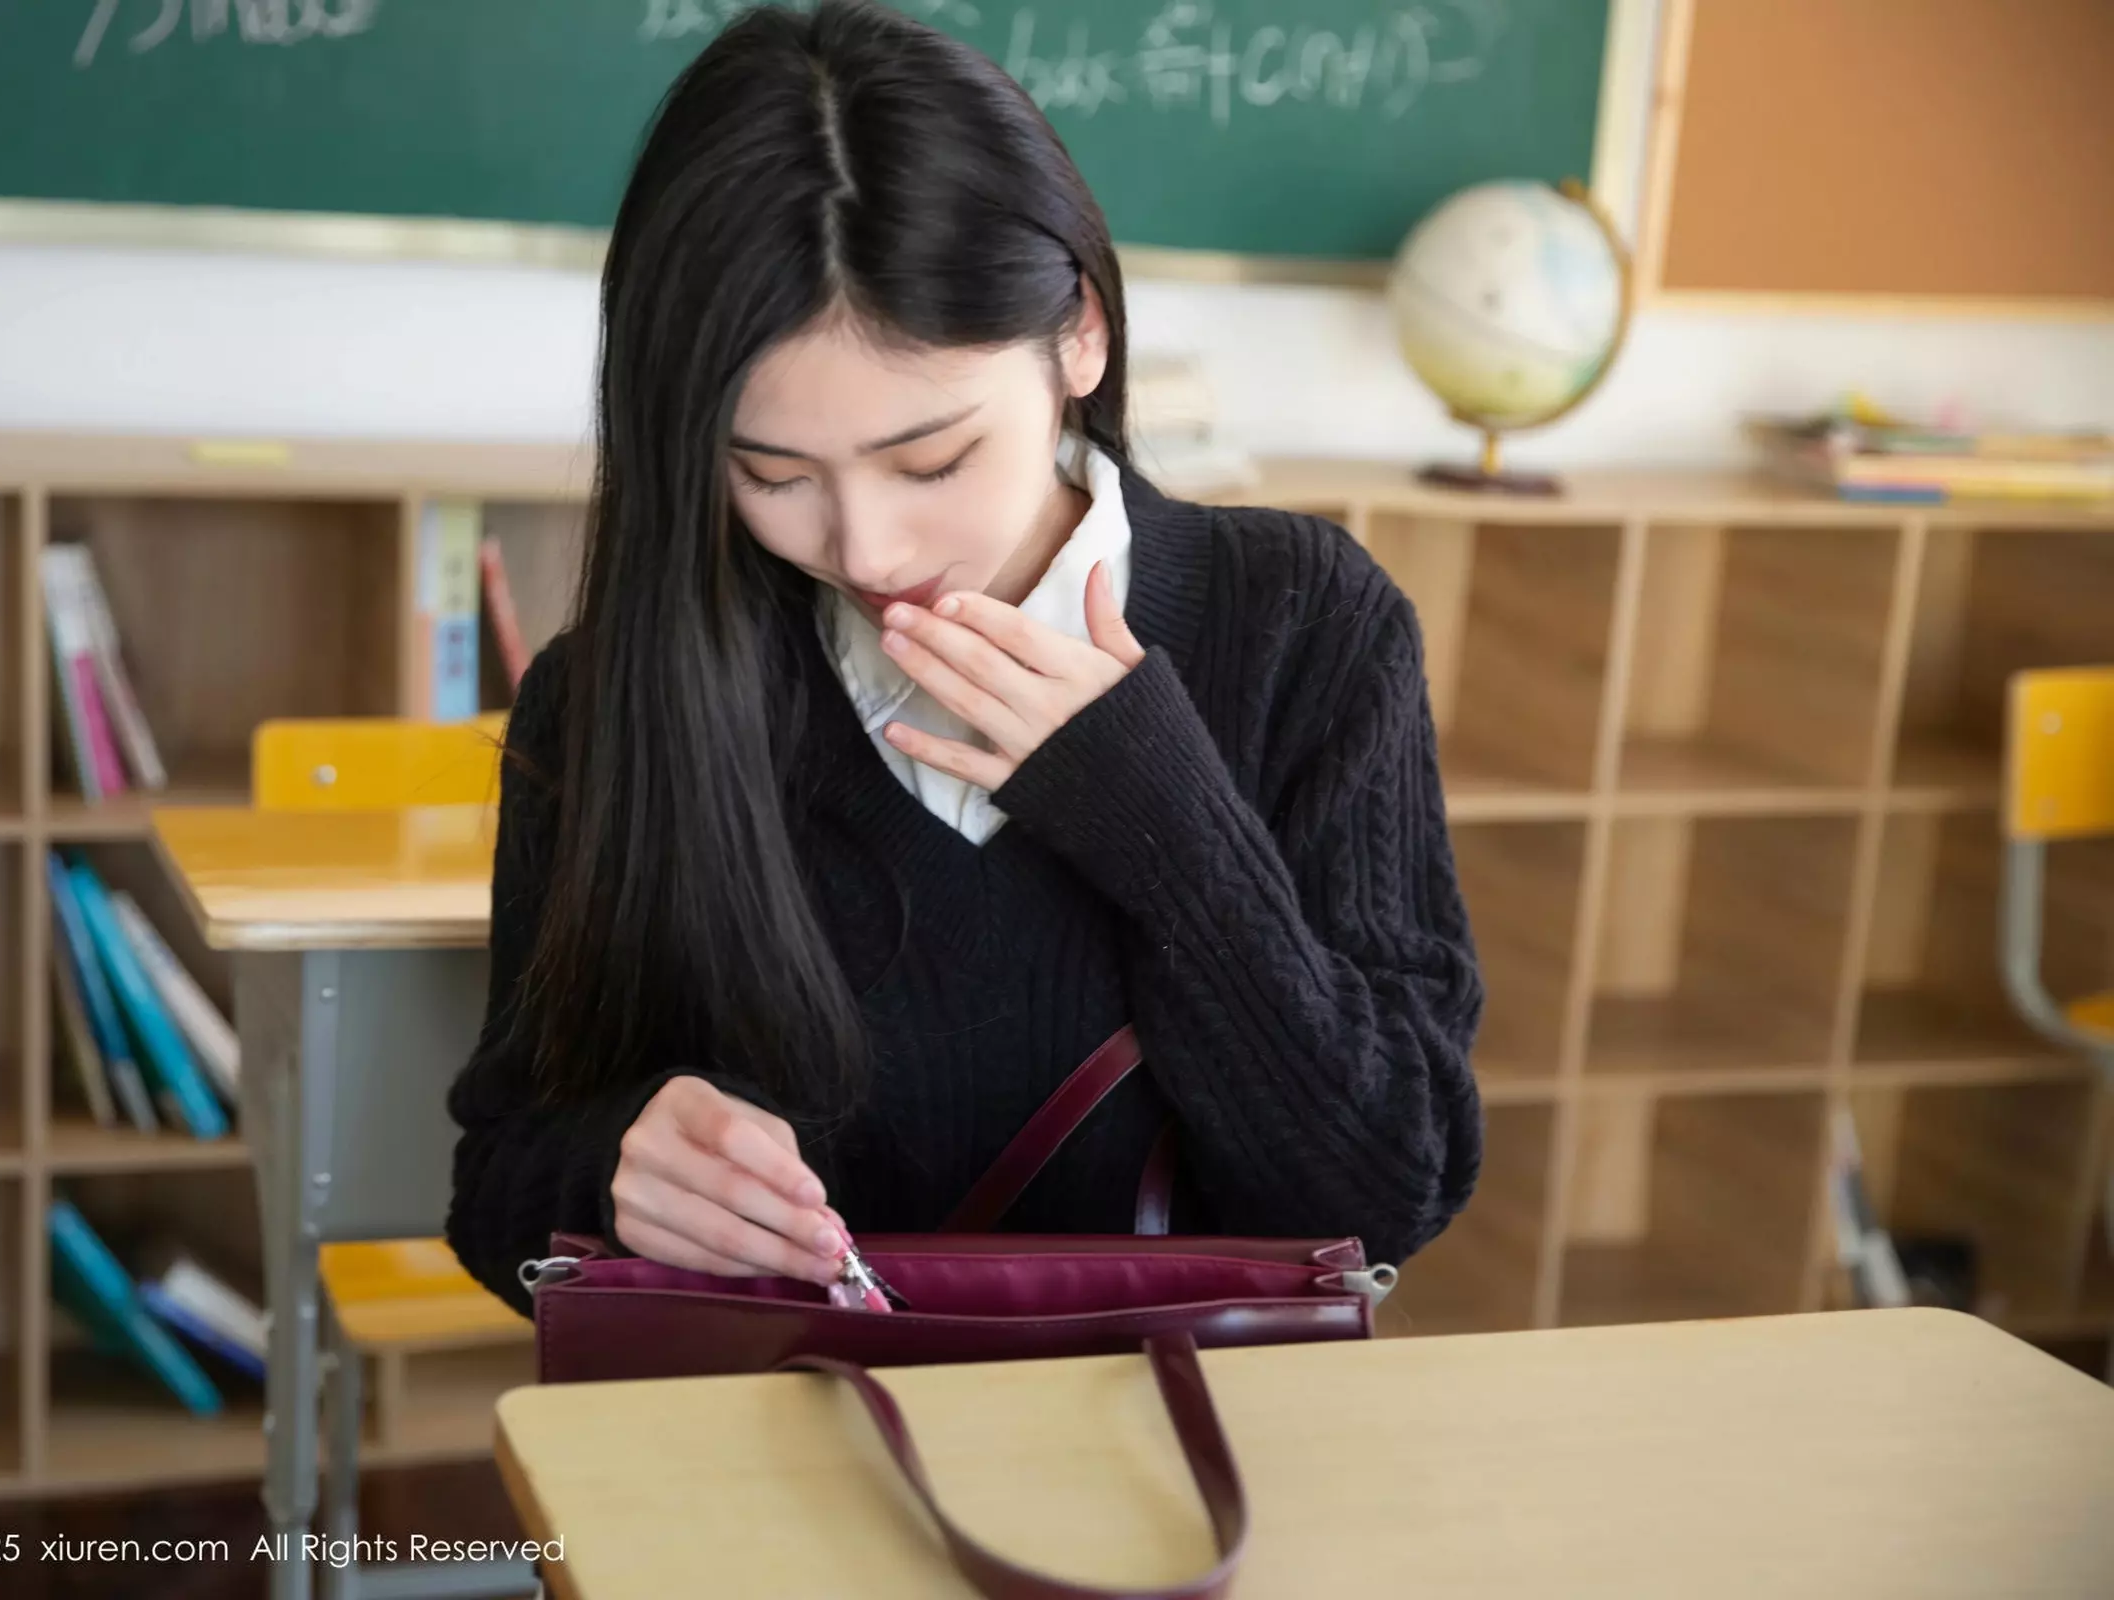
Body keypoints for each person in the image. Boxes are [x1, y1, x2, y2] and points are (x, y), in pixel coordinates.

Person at [447, 0, 1482, 1317]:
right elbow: (496, 1193)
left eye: (931, 459)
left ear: (1082, 337)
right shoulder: (614, 695)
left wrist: (1166, 826)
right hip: (758, 1464)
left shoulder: (1307, 625)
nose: (867, 545)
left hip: (1192, 1474)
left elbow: (1389, 1189)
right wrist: (612, 1171)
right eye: (770, 473)